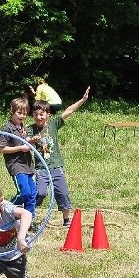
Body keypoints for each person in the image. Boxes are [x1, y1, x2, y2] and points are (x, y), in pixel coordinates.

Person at [26, 87, 91, 227]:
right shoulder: (30, 129)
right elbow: (24, 139)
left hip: (56, 166)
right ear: (32, 115)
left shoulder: (53, 124)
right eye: (36, 114)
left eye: (42, 114)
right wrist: (32, 140)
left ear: (48, 114)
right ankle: (28, 215)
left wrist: (83, 100)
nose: (39, 117)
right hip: (41, 168)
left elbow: (69, 111)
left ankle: (66, 220)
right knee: (41, 192)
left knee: (63, 193)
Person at [0, 97, 37, 222]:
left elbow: (25, 142)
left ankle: (29, 220)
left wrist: (31, 141)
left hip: (27, 165)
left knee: (32, 194)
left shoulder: (23, 128)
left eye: (25, 114)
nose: (22, 116)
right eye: (19, 113)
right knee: (24, 192)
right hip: (16, 165)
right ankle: (5, 209)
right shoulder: (7, 129)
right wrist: (20, 148)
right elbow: (2, 148)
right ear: (12, 111)